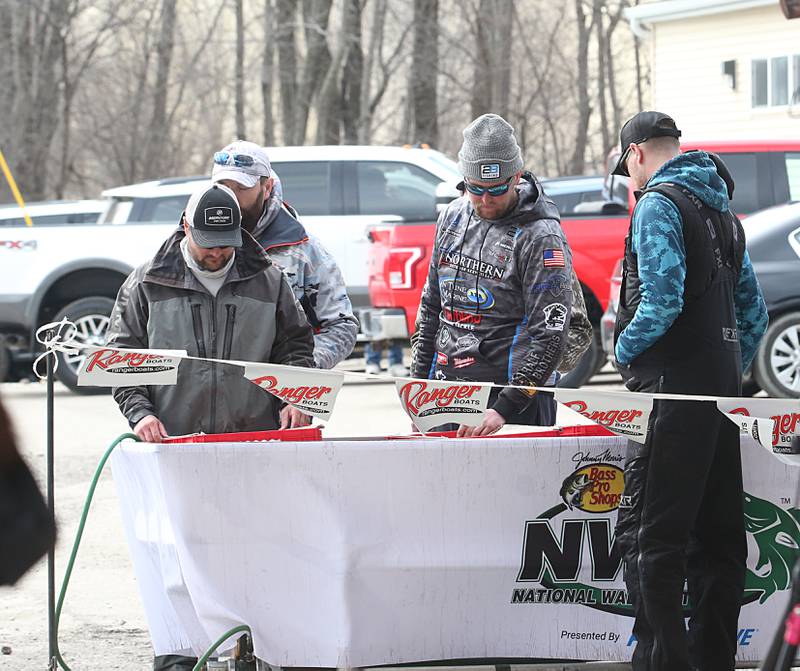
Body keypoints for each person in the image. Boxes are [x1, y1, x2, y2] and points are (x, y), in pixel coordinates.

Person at [611, 111, 769, 671]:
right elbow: (754, 311)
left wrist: (622, 351)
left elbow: (662, 299)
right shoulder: (723, 211)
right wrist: (729, 369)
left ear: (636, 154)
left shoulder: (659, 202)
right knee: (720, 543)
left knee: (654, 542)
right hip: (722, 396)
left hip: (672, 396)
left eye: (625, 170)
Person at [411, 113, 592, 437]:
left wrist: (505, 407)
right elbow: (430, 307)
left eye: (496, 189)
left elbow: (551, 332)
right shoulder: (451, 216)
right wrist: (417, 388)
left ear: (516, 176)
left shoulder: (540, 235)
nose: (485, 199)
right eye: (475, 188)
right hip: (446, 390)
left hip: (513, 400)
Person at [107, 182, 315, 444]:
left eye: (225, 243)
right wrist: (140, 414)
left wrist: (295, 397)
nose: (216, 252)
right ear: (186, 227)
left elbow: (296, 346)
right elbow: (122, 357)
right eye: (207, 243)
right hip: (173, 440)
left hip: (256, 440)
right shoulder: (146, 284)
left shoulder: (270, 281)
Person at [210, 141, 358, 386]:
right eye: (224, 187)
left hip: (278, 398)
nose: (231, 198)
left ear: (266, 187)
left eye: (241, 188)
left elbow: (341, 325)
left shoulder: (304, 251)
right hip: (206, 398)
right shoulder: (192, 242)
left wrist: (300, 372)